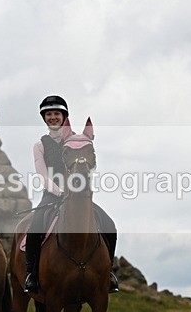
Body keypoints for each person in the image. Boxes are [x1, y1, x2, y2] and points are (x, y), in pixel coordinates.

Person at [24, 95, 120, 294]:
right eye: (49, 114)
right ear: (44, 117)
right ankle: (31, 274)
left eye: (56, 114)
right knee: (35, 226)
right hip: (52, 195)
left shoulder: (78, 140)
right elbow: (42, 174)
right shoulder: (40, 145)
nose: (53, 117)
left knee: (109, 224)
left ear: (64, 116)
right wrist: (59, 191)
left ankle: (108, 273)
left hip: (79, 195)